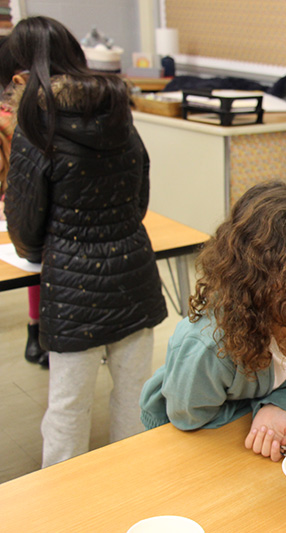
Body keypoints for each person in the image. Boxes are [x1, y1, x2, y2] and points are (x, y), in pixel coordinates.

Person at [1, 16, 168, 468]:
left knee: (67, 408)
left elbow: (23, 218)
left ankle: (62, 503)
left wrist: (40, 253)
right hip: (133, 272)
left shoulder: (36, 123)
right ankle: (130, 489)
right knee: (134, 396)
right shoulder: (118, 111)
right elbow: (140, 193)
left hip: (73, 289)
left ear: (20, 70)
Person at [140, 182, 286, 461]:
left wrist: (277, 406)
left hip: (244, 445)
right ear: (259, 280)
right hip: (183, 440)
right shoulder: (209, 348)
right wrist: (260, 411)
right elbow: (188, 421)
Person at [0, 35, 49, 368]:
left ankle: (37, 329)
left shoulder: (34, 108)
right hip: (13, 194)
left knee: (37, 262)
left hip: (25, 192)